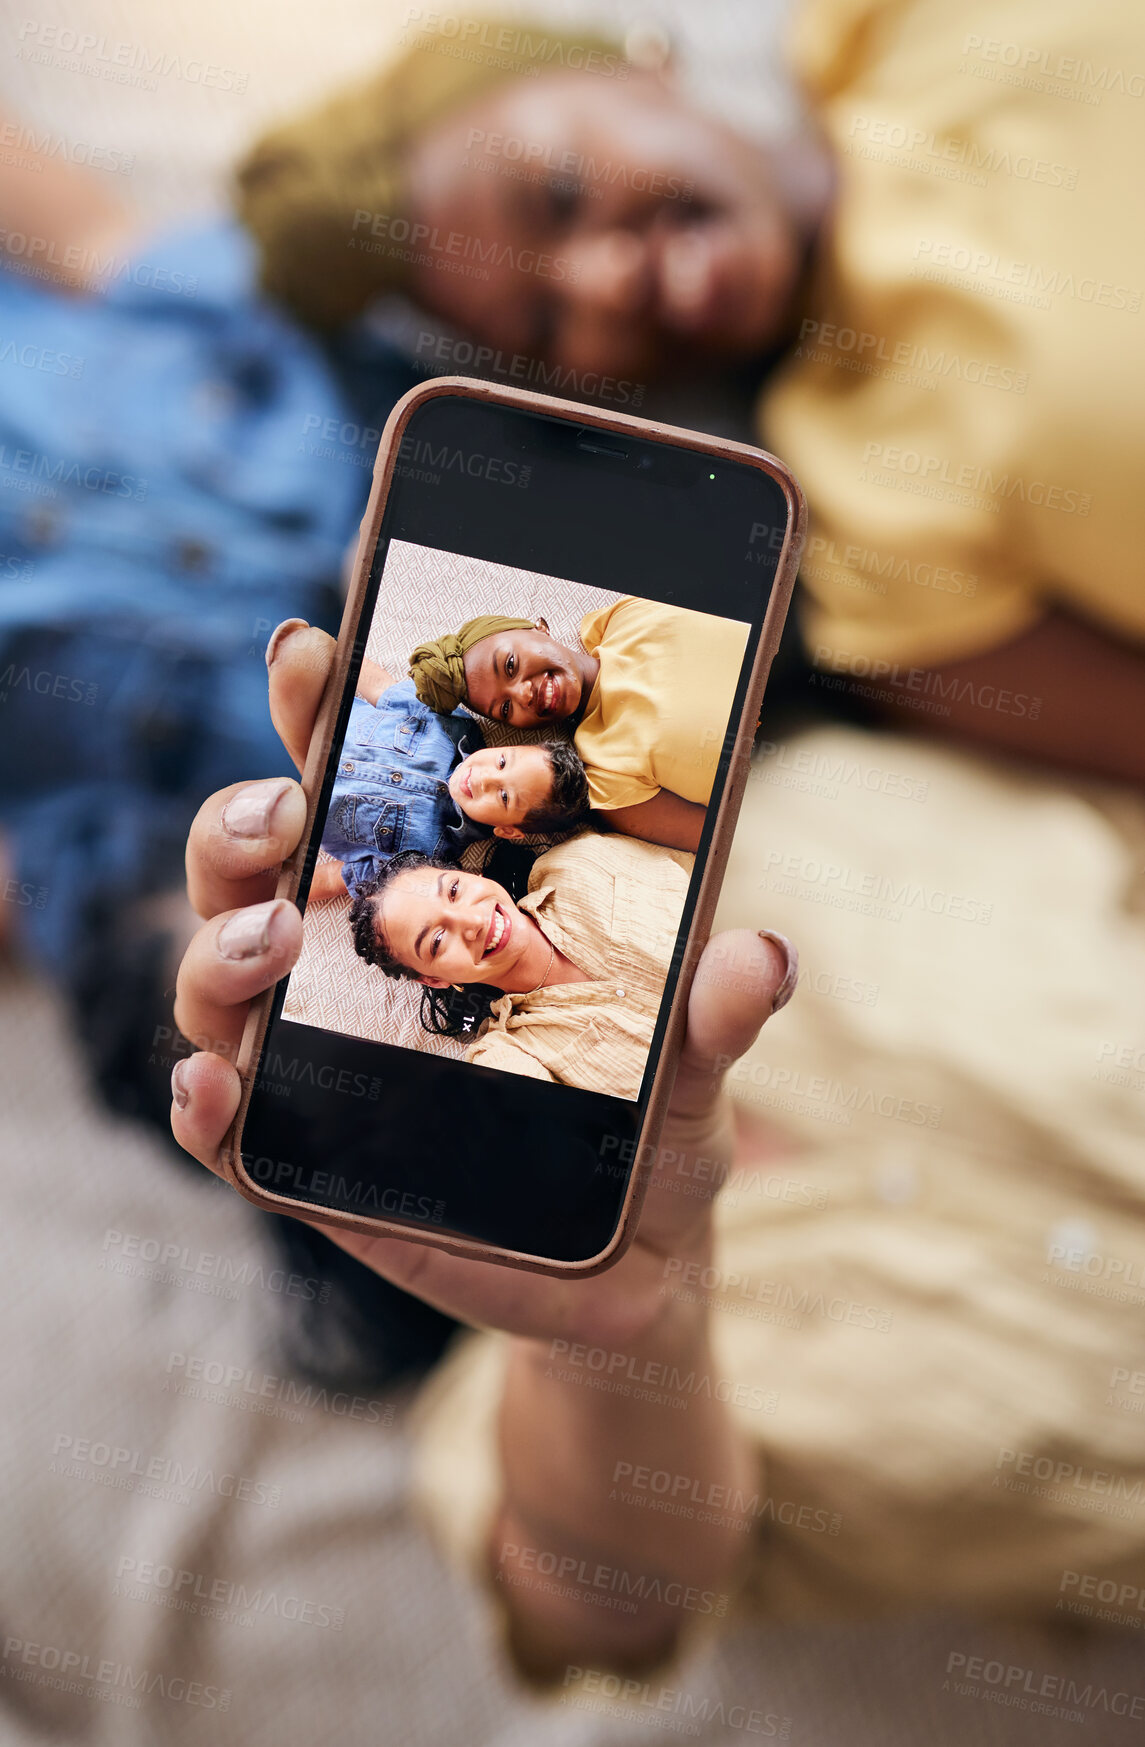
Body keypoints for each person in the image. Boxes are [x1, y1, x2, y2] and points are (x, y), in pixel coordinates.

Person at [348, 830, 692, 1096]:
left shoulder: (576, 863)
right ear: (434, 979)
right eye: (437, 941)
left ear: (473, 875)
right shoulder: (509, 1053)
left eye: (454, 891)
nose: (473, 922)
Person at [408, 596, 750, 852]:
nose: (524, 693)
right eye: (506, 708)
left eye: (510, 664)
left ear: (535, 627)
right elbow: (725, 840)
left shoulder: (625, 616)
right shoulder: (605, 778)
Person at [309, 650, 589, 903]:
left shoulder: (427, 861)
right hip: (310, 719)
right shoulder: (451, 725)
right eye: (502, 762)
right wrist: (329, 649)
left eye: (504, 796)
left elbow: (336, 878)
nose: (485, 779)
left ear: (508, 831)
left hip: (295, 802)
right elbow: (379, 688)